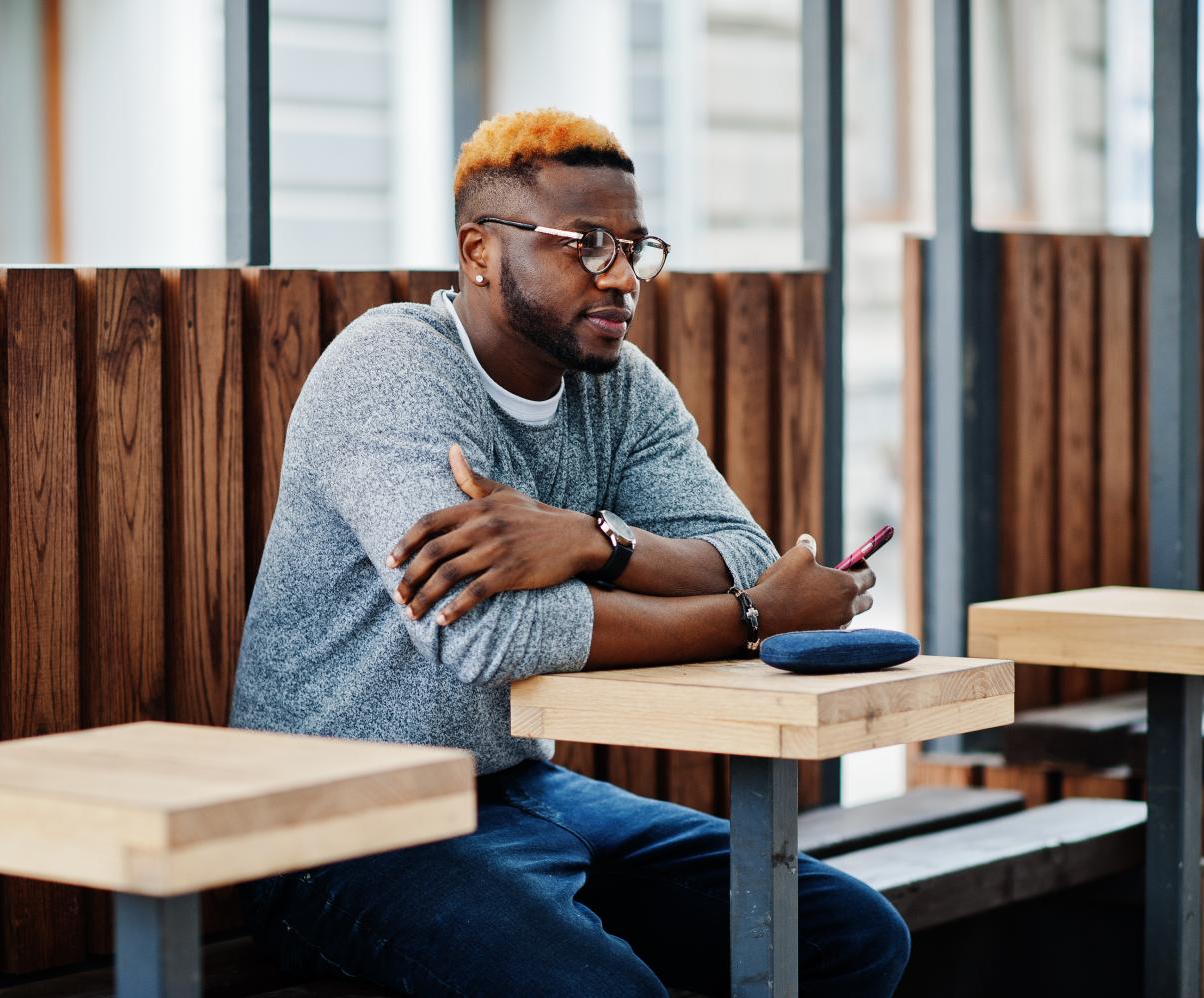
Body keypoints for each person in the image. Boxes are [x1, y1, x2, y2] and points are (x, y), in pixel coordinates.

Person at [231, 108, 909, 997]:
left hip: (512, 786)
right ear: (481, 251)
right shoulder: (391, 369)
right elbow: (490, 638)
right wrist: (755, 621)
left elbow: (742, 547)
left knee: (850, 938)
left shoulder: (618, 384)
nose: (622, 275)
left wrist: (593, 541)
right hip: (335, 822)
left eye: (634, 246)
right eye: (587, 244)